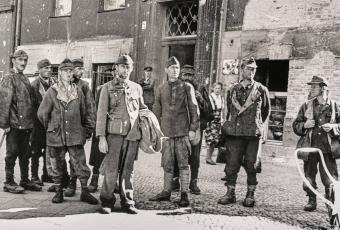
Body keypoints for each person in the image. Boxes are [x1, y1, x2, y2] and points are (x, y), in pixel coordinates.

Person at [37, 58, 97, 205]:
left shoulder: (78, 91)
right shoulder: (52, 91)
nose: (69, 74)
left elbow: (85, 111)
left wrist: (85, 128)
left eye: (71, 71)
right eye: (65, 71)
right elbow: (42, 114)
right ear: (60, 73)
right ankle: (58, 192)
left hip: (75, 134)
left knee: (80, 163)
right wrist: (52, 126)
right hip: (56, 135)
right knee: (55, 164)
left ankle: (84, 191)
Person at [218, 57, 270, 207]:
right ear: (242, 70)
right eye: (248, 68)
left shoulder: (261, 90)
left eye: (254, 69)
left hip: (252, 133)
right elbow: (228, 110)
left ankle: (250, 194)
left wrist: (257, 126)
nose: (252, 71)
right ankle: (230, 193)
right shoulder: (232, 90)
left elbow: (265, 112)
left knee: (251, 164)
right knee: (231, 163)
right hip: (234, 133)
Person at [96, 55, 145, 214]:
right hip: (114, 135)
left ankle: (128, 201)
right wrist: (102, 137)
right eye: (122, 67)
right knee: (111, 169)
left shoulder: (136, 88)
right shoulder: (107, 88)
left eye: (128, 67)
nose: (125, 70)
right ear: (116, 68)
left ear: (131, 69)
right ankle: (107, 201)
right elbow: (101, 114)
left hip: (132, 135)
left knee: (128, 170)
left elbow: (142, 109)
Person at [149, 57, 199, 207]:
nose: (175, 71)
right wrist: (156, 132)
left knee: (184, 164)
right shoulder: (160, 88)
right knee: (167, 164)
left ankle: (184, 194)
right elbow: (156, 112)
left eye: (177, 68)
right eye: (172, 68)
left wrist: (192, 129)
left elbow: (194, 109)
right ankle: (166, 191)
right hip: (166, 133)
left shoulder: (187, 87)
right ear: (166, 70)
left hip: (182, 132)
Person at [293, 76, 340, 212]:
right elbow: (296, 125)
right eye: (311, 86)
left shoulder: (335, 106)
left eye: (314, 86)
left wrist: (333, 127)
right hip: (310, 148)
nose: (311, 89)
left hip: (327, 149)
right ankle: (311, 200)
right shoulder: (306, 105)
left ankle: (331, 202)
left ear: (323, 88)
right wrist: (305, 125)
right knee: (308, 177)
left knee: (330, 178)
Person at [0, 50, 42, 193]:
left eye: (25, 60)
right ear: (13, 61)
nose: (23, 63)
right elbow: (4, 103)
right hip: (13, 124)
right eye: (20, 60)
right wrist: (4, 124)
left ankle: (25, 180)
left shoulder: (23, 78)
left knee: (25, 153)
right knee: (11, 153)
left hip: (26, 125)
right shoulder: (8, 78)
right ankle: (9, 182)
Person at [172, 64, 213, 195]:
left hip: (195, 129)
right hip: (178, 127)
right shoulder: (175, 87)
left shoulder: (200, 89)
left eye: (190, 75)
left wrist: (201, 99)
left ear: (194, 76)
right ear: (181, 76)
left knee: (194, 157)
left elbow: (210, 112)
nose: (187, 78)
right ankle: (175, 181)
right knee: (176, 154)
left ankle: (193, 182)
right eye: (185, 75)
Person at [63, 58, 95, 197]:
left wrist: (88, 128)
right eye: (78, 69)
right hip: (63, 130)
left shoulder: (84, 86)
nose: (80, 71)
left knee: (76, 158)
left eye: (82, 69)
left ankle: (73, 184)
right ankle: (63, 183)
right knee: (60, 158)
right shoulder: (64, 84)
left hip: (78, 129)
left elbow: (90, 107)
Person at [30, 59, 56, 186]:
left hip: (50, 123)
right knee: (35, 151)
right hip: (37, 124)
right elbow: (32, 106)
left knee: (48, 150)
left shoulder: (54, 84)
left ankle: (47, 174)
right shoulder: (34, 85)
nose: (49, 70)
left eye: (50, 68)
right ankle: (34, 176)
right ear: (39, 69)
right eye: (46, 68)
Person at [204, 82, 225, 165]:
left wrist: (222, 120)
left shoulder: (221, 98)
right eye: (216, 88)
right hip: (211, 120)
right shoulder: (210, 97)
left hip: (218, 121)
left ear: (221, 90)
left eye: (219, 88)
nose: (217, 90)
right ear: (213, 88)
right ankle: (208, 158)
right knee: (211, 139)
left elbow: (222, 111)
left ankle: (209, 157)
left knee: (216, 140)